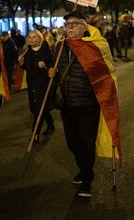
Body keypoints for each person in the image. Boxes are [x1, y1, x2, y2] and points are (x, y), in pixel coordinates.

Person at [49, 11, 120, 198]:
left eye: (73, 24)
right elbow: (56, 73)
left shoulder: (95, 47)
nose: (69, 28)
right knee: (72, 142)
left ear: (84, 26)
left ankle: (87, 179)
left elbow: (106, 73)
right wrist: (51, 73)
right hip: (67, 104)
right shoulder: (59, 47)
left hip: (88, 104)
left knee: (87, 142)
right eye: (67, 25)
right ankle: (84, 168)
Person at [18, 30, 54, 143]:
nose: (31, 39)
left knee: (39, 108)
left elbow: (53, 66)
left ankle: (35, 134)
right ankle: (51, 124)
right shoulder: (27, 52)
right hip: (32, 84)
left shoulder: (46, 51)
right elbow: (26, 68)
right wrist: (21, 63)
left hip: (43, 85)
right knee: (36, 108)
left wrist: (45, 66)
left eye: (34, 37)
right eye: (30, 37)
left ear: (39, 39)